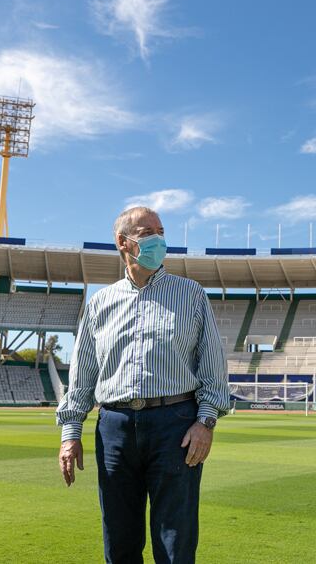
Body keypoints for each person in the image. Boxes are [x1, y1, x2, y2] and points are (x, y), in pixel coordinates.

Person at [56, 206, 230, 564]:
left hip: (176, 426)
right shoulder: (99, 303)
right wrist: (70, 432)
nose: (159, 239)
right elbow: (83, 374)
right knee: (119, 541)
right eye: (148, 231)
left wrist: (206, 422)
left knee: (175, 542)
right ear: (124, 242)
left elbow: (214, 369)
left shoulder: (192, 294)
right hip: (114, 427)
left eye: (161, 231)